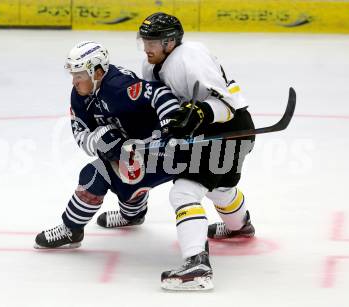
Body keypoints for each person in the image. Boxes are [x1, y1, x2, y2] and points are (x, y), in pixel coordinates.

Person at [137, 12, 256, 290]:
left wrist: (200, 112)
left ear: (170, 42)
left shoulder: (189, 57)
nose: (147, 46)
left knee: (184, 191)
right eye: (144, 40)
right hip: (217, 135)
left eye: (153, 40)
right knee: (218, 187)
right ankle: (240, 226)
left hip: (229, 129)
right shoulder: (151, 65)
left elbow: (227, 106)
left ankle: (197, 266)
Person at [34, 41, 180, 249]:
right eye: (73, 75)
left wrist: (170, 124)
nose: (74, 82)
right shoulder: (80, 96)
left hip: (165, 151)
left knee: (209, 183)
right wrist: (98, 140)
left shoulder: (118, 86)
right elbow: (81, 135)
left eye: (79, 75)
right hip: (134, 159)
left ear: (97, 72)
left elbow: (160, 94)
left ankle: (238, 223)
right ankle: (115, 220)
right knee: (98, 175)